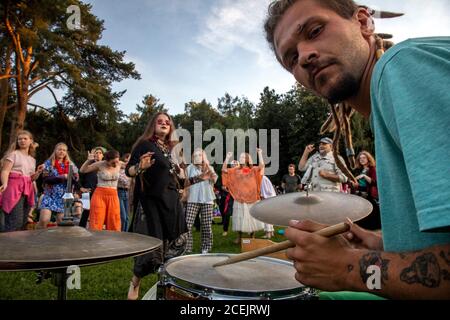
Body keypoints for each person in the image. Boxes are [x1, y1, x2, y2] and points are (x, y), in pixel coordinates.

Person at [265, 0, 450, 298]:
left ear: (363, 22)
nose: (304, 57)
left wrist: (350, 268)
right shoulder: (384, 106)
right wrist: (379, 246)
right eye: (291, 58)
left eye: (314, 30)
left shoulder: (401, 68)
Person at [125, 112, 187, 300]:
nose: (164, 124)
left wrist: (183, 179)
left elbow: (178, 178)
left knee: (174, 243)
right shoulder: (145, 145)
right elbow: (129, 170)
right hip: (151, 202)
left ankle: (166, 283)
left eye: (167, 122)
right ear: (153, 125)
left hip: (171, 201)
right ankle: (136, 281)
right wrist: (140, 167)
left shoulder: (171, 150)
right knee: (150, 246)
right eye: (159, 121)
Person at [0, 131, 44, 232]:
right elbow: (5, 171)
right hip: (13, 188)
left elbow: (31, 178)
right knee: (15, 220)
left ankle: (16, 245)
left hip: (27, 190)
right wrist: (5, 183)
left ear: (30, 141)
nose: (22, 141)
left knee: (24, 220)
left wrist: (38, 172)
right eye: (20, 139)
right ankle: (7, 245)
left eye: (25, 139)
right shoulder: (13, 154)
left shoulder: (32, 159)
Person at [222, 149, 265, 244]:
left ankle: (252, 236)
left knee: (252, 217)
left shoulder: (253, 169)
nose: (240, 158)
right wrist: (227, 157)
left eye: (242, 157)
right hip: (240, 198)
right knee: (239, 217)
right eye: (240, 157)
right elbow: (224, 170)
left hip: (252, 197)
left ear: (247, 159)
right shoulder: (236, 170)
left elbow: (262, 166)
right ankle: (239, 237)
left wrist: (260, 154)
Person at [37, 143, 79, 228]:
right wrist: (62, 177)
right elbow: (46, 179)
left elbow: (76, 180)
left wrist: (72, 178)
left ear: (66, 152)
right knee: (44, 220)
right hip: (50, 194)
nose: (61, 152)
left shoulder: (71, 164)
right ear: (55, 151)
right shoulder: (49, 163)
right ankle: (37, 237)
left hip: (64, 197)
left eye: (64, 150)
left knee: (62, 223)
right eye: (59, 149)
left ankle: (58, 241)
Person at [184, 148, 218, 254]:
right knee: (188, 224)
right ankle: (187, 247)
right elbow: (185, 183)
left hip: (207, 199)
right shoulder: (189, 168)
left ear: (204, 157)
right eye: (195, 155)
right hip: (192, 199)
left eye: (200, 155)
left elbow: (214, 180)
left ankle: (206, 247)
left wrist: (208, 167)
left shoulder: (209, 167)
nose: (197, 156)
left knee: (206, 225)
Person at [80, 149, 121, 231]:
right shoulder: (100, 164)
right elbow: (82, 170)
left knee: (114, 219)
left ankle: (115, 241)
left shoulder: (119, 164)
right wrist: (88, 161)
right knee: (97, 219)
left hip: (113, 195)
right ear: (107, 160)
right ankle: (95, 240)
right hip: (100, 195)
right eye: (113, 162)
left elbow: (131, 167)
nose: (116, 164)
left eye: (117, 161)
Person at [351, 150, 380, 230]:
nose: (362, 160)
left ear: (368, 159)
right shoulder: (358, 170)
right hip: (359, 194)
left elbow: (375, 182)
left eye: (364, 158)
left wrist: (364, 176)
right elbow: (354, 181)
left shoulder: (372, 169)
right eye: (360, 158)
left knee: (371, 215)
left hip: (369, 195)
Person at [78, 147, 105, 228]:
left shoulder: (105, 166)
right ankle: (81, 228)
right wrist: (81, 188)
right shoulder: (88, 166)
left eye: (100, 153)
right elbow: (78, 177)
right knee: (86, 211)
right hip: (87, 192)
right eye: (96, 153)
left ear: (103, 155)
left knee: (98, 211)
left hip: (100, 192)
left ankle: (96, 228)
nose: (98, 154)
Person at [218, 160, 238, 237]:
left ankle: (244, 230)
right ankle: (225, 230)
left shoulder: (241, 171)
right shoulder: (228, 173)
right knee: (227, 213)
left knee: (243, 213)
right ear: (231, 166)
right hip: (231, 196)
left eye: (236, 164)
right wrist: (229, 189)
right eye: (233, 164)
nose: (234, 165)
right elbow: (223, 187)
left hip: (241, 196)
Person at [118, 153, 131, 232]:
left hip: (127, 192)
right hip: (119, 191)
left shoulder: (129, 171)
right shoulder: (119, 169)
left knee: (127, 217)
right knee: (123, 216)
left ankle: (125, 233)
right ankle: (122, 232)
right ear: (125, 159)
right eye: (128, 158)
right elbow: (125, 181)